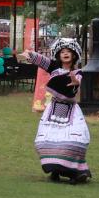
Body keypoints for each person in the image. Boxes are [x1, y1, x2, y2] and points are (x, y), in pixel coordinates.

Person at [19, 38, 92, 183]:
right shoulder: (53, 67)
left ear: (74, 55)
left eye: (68, 51)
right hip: (53, 109)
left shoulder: (78, 72)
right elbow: (41, 60)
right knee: (48, 140)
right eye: (62, 51)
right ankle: (55, 170)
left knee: (73, 140)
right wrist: (30, 54)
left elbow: (75, 87)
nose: (65, 54)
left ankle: (75, 173)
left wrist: (75, 83)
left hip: (71, 111)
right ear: (58, 54)